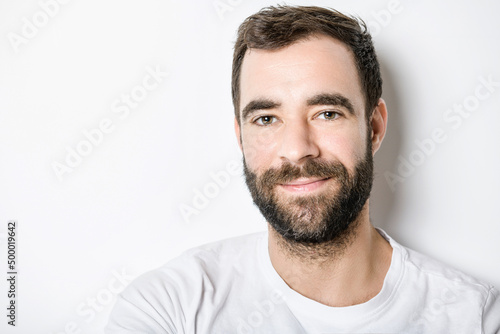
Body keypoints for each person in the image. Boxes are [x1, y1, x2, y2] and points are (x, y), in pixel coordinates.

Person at [105, 5, 500, 333]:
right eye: (266, 119)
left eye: (326, 113)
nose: (297, 150)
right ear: (241, 137)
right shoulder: (169, 310)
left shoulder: (474, 317)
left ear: (374, 127)